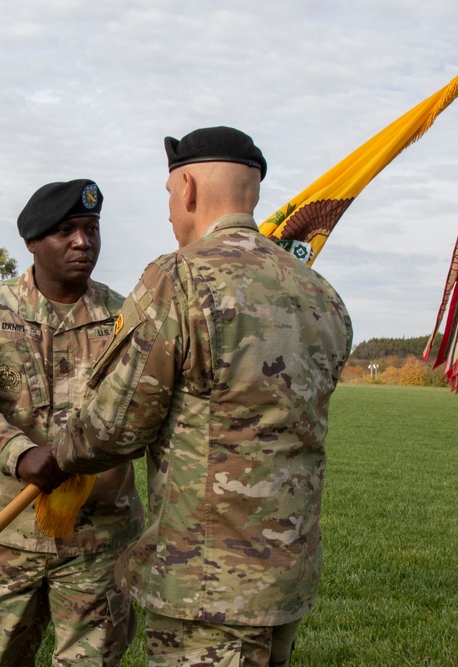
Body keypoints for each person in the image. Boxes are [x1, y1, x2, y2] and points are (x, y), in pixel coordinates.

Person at [53, 127, 353, 667]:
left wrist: (57, 455)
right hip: (287, 576)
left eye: (170, 197)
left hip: (206, 586)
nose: (171, 213)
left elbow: (114, 425)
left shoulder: (179, 279)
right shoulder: (319, 292)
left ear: (187, 188)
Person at [0, 179, 143, 666]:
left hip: (99, 538)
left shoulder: (127, 317)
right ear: (32, 243)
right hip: (7, 533)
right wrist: (18, 452)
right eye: (65, 231)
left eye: (91, 229)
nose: (82, 242)